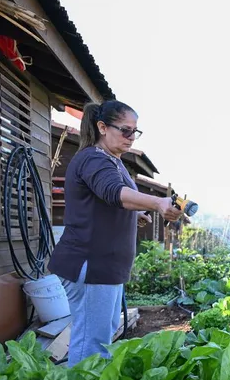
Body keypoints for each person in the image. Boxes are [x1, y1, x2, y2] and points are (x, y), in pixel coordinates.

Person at [48, 100, 182, 366]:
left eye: (135, 131)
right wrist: (157, 202)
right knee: (91, 344)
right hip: (91, 265)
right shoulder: (93, 159)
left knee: (101, 336)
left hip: (106, 268)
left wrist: (134, 214)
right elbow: (112, 192)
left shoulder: (114, 161)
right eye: (125, 130)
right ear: (102, 127)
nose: (131, 137)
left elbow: (106, 202)